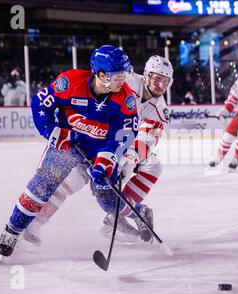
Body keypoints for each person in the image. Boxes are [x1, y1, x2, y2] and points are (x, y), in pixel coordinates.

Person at [0, 45, 138, 257]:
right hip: (67, 145)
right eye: (118, 76)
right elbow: (39, 104)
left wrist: (106, 160)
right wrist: (53, 131)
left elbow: (124, 134)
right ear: (100, 74)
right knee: (43, 185)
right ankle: (12, 230)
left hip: (100, 150)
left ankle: (136, 212)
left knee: (106, 196)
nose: (123, 80)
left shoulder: (125, 99)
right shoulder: (70, 82)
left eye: (124, 75)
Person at [23, 55, 173, 245]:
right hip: (90, 134)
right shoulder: (125, 79)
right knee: (72, 180)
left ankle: (116, 218)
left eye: (165, 81)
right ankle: (35, 223)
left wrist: (130, 157)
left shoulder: (160, 110)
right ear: (146, 75)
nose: (160, 85)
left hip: (116, 145)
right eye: (156, 79)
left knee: (153, 165)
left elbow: (147, 137)